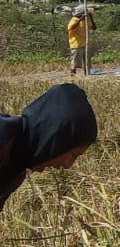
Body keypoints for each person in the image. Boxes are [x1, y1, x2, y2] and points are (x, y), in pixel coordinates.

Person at [0, 82, 99, 212]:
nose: (67, 165)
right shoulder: (3, 139)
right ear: (57, 139)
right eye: (73, 155)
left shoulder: (17, 168)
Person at [67, 6, 95, 76]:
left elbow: (94, 27)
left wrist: (91, 18)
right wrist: (80, 20)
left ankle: (87, 74)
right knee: (75, 62)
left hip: (85, 43)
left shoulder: (86, 20)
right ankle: (73, 75)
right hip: (76, 44)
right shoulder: (74, 19)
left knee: (87, 61)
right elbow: (70, 28)